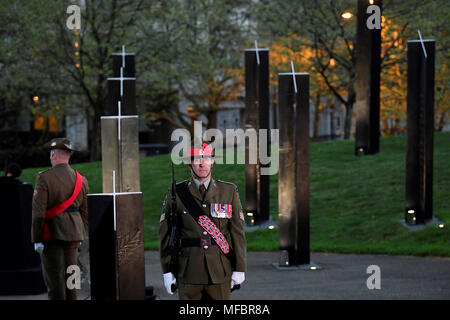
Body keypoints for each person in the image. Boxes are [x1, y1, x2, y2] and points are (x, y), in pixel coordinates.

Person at [159, 140, 247, 300]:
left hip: (220, 271)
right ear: (189, 164)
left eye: (206, 158)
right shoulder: (176, 193)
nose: (202, 163)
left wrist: (240, 267)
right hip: (188, 271)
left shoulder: (228, 191)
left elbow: (238, 233)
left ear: (212, 162)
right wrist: (167, 270)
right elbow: (166, 236)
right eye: (197, 159)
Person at [31, 138, 89, 300]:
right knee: (72, 278)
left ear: (54, 156)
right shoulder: (81, 179)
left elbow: (38, 213)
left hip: (52, 235)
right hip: (75, 235)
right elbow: (85, 212)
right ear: (68, 156)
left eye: (50, 155)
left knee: (55, 279)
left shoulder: (44, 178)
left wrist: (37, 238)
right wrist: (81, 234)